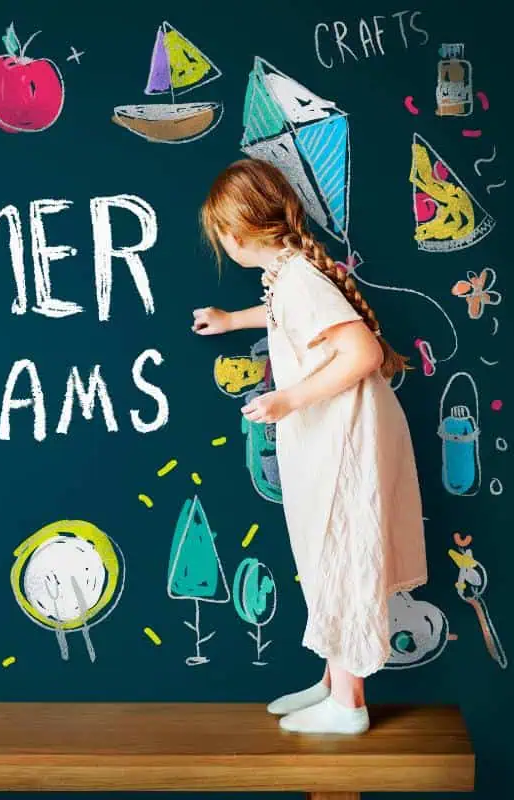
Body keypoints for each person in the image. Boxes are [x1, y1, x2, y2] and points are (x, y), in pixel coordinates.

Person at [192, 159, 427, 735]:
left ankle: (348, 702)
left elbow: (363, 355)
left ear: (236, 233)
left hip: (345, 435)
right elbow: (286, 317)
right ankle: (332, 681)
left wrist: (286, 400)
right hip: (335, 434)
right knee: (327, 553)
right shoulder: (288, 276)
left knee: (342, 552)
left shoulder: (298, 278)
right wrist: (232, 320)